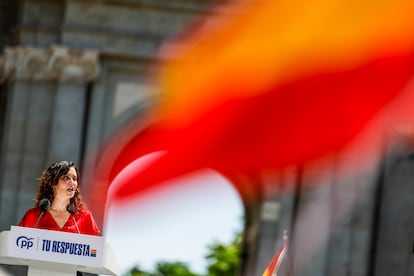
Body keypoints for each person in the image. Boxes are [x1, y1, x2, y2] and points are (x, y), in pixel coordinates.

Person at [18, 160, 100, 236]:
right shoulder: (33, 217)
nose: (72, 182)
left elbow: (95, 249)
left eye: (74, 179)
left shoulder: (85, 217)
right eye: (66, 178)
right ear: (53, 183)